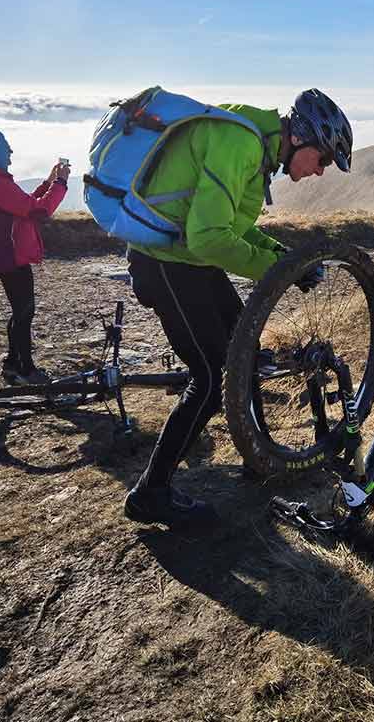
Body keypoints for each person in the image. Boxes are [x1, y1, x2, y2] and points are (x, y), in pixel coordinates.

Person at [123, 88, 353, 528]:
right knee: (210, 379)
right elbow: (209, 238)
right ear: (301, 138)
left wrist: (281, 256)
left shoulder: (257, 146)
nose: (321, 171)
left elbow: (228, 229)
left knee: (243, 355)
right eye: (322, 159)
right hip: (166, 264)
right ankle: (150, 493)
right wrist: (276, 269)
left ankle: (260, 455)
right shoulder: (241, 144)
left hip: (189, 260)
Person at [0, 130, 69, 385]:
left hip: (2, 255)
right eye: (5, 147)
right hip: (7, 257)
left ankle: (13, 366)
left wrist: (49, 181)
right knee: (24, 312)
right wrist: (61, 183)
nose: (10, 151)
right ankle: (25, 370)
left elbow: (25, 204)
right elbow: (40, 211)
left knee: (21, 312)